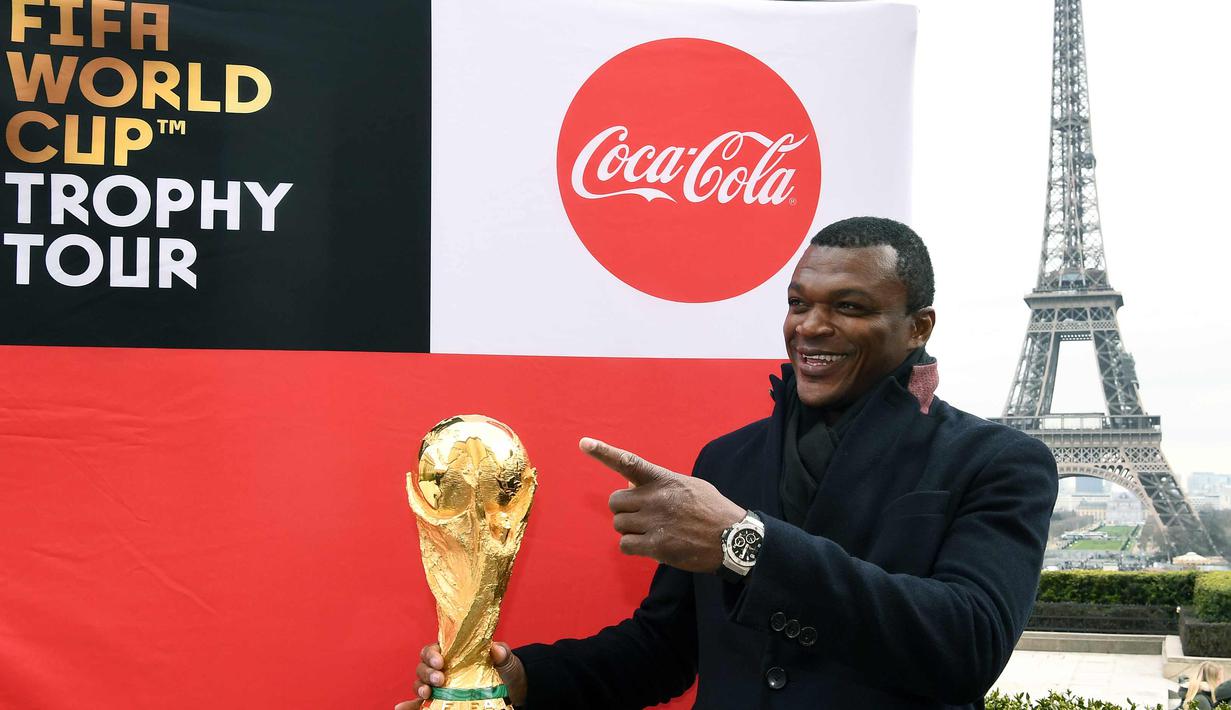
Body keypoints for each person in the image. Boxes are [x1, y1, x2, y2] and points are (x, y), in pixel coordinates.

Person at [397, 217, 1059, 709]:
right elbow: (662, 651)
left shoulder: (997, 462)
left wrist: (744, 544)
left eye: (847, 307)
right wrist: (520, 678)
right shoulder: (727, 459)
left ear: (918, 328)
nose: (810, 326)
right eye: (798, 303)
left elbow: (965, 645)